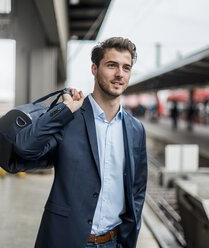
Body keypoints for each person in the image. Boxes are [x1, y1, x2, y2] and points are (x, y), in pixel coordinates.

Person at [14, 37, 147, 248]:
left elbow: (137, 190)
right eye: (112, 65)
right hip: (66, 240)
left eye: (126, 68)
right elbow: (24, 147)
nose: (119, 74)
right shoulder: (70, 118)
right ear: (94, 69)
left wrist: (126, 241)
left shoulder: (135, 129)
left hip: (112, 242)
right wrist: (62, 112)